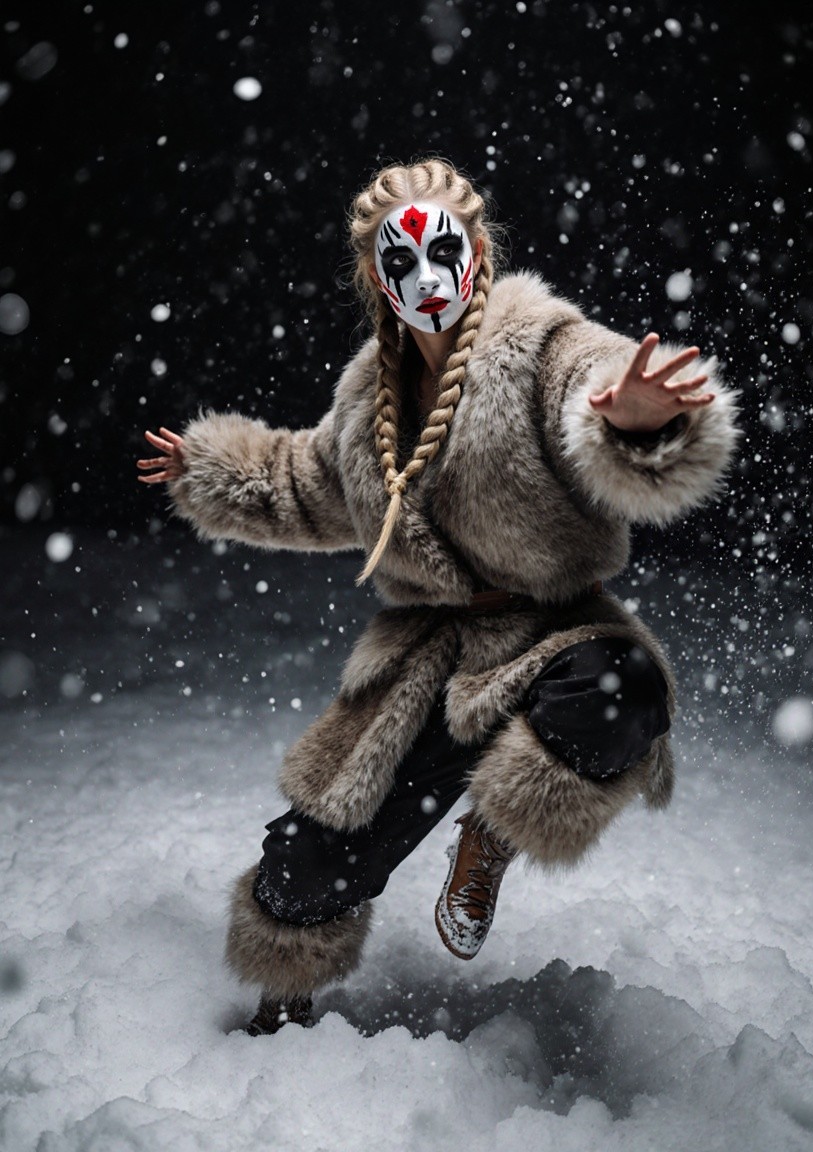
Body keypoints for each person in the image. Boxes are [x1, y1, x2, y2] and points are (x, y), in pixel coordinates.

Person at [138, 158, 738, 1035]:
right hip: (431, 662)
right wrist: (207, 470)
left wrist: (642, 421)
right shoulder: (365, 405)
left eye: (443, 250)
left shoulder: (542, 345)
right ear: (375, 277)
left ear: (478, 252)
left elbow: (595, 380)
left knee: (621, 693)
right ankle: (282, 1005)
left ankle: (492, 835)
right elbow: (302, 485)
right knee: (301, 874)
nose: (426, 276)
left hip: (556, 640)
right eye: (402, 260)